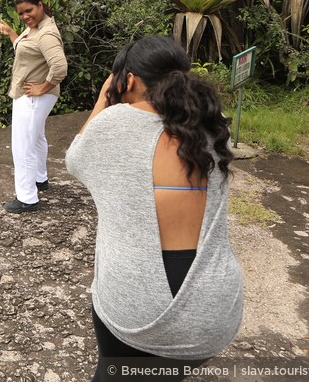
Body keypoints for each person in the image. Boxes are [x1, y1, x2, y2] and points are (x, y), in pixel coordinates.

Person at [64, 35, 243, 381]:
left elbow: (76, 159)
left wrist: (104, 98)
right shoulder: (211, 127)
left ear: (128, 79)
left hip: (137, 304)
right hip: (213, 309)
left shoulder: (113, 124)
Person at [0, 0, 68, 213]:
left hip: (34, 97)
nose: (26, 16)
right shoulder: (35, 28)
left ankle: (27, 198)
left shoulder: (46, 34)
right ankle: (40, 179)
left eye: (29, 10)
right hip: (35, 97)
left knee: (23, 145)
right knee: (35, 138)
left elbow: (60, 67)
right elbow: (27, 48)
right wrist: (11, 33)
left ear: (40, 4)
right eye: (21, 13)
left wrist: (43, 87)